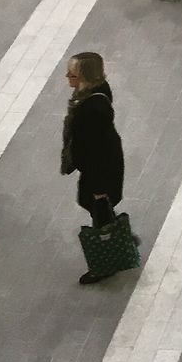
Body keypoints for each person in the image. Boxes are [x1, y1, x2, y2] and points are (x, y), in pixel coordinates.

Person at [60, 51, 126, 283]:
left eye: (73, 73)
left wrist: (99, 186)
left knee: (97, 204)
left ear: (85, 76)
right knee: (97, 205)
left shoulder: (92, 109)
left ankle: (106, 262)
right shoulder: (96, 91)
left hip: (99, 169)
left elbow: (96, 151)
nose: (68, 75)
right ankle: (116, 234)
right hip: (102, 164)